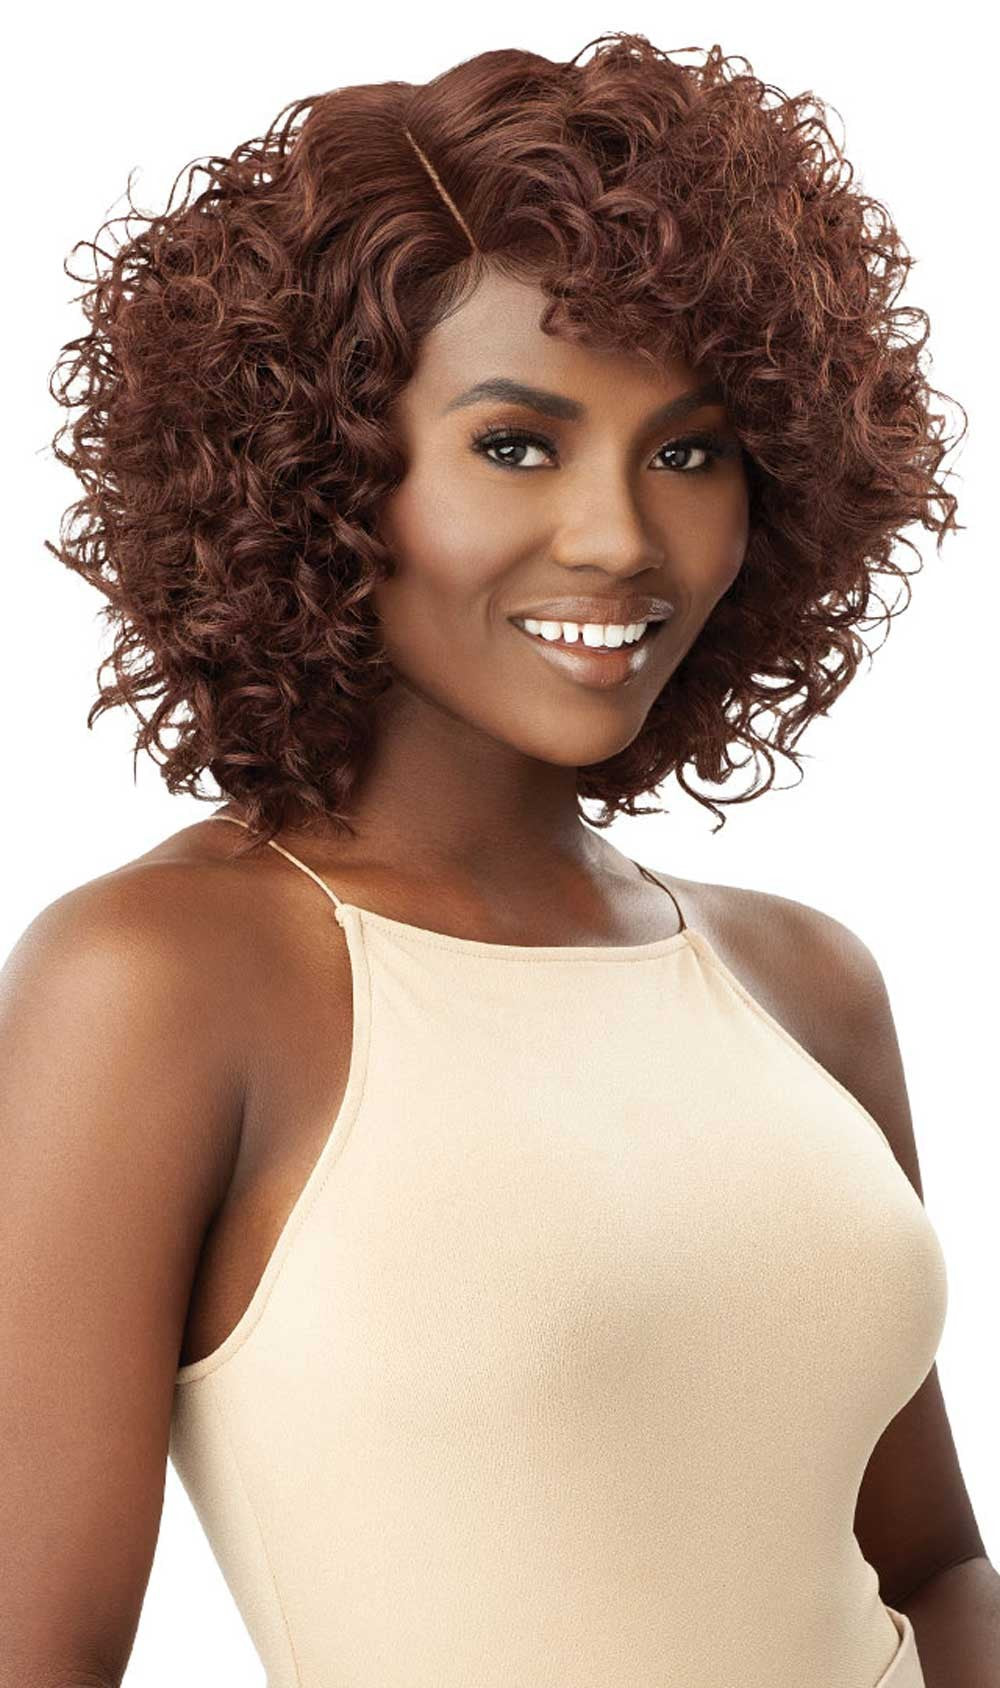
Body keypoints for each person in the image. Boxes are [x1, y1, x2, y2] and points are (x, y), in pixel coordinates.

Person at [2, 30, 994, 1688]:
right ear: (323, 470)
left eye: (690, 451)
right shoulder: (165, 982)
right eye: (517, 445)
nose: (619, 536)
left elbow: (940, 1569)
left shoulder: (802, 980)